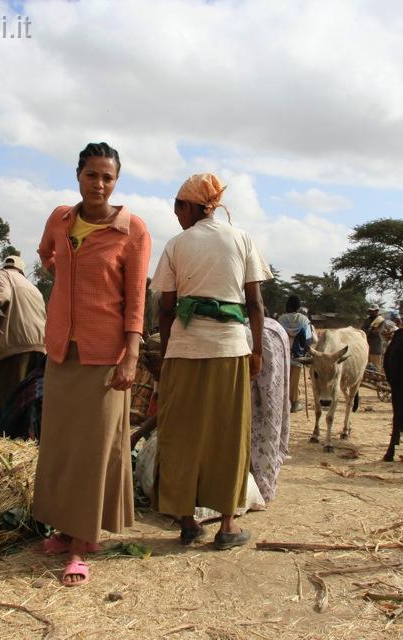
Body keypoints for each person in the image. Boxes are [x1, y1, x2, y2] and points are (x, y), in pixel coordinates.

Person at [31, 142, 151, 587]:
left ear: (116, 181)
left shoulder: (132, 230)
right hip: (62, 351)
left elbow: (137, 300)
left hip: (106, 357)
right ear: (78, 176)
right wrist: (62, 272)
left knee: (95, 450)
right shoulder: (60, 220)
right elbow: (46, 254)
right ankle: (65, 530)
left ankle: (83, 543)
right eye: (91, 175)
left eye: (108, 177)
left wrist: (131, 358)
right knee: (62, 445)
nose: (99, 184)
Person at [151, 172, 272, 550]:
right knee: (229, 435)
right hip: (230, 349)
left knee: (181, 434)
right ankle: (228, 526)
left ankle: (187, 522)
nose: (175, 215)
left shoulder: (176, 245)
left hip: (185, 352)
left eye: (177, 207)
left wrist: (171, 351)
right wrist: (256, 352)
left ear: (191, 207)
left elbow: (165, 308)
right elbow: (255, 304)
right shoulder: (242, 240)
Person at [0, 254, 47, 416]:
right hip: (40, 347)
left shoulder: (1, 275)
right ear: (22, 271)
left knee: (8, 398)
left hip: (13, 347)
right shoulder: (33, 288)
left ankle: (5, 435)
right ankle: (28, 435)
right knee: (30, 397)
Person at [247, 316, 290, 503]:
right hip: (273, 349)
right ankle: (265, 484)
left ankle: (248, 482)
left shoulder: (242, 327)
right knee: (271, 411)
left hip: (244, 346)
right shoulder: (278, 330)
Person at [277, 295, 313, 412]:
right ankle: (294, 402)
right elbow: (308, 338)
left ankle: (283, 401)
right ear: (298, 307)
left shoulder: (281, 319)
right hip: (298, 356)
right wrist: (306, 350)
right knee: (294, 381)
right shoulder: (304, 320)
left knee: (283, 378)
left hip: (283, 355)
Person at [362, 306, 387, 371]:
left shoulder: (381, 321)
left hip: (376, 346)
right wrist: (370, 331)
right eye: (369, 311)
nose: (370, 312)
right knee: (365, 366)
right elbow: (362, 329)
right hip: (366, 345)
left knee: (375, 366)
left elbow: (378, 332)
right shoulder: (367, 320)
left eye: (372, 311)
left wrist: (368, 331)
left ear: (377, 311)